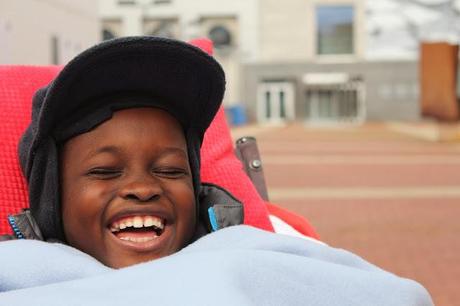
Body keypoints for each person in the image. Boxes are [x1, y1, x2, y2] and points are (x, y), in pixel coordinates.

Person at [0, 36, 433, 305]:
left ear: (201, 191)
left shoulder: (252, 250)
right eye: (105, 171)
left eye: (169, 170)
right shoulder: (21, 271)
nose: (141, 187)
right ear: (51, 199)